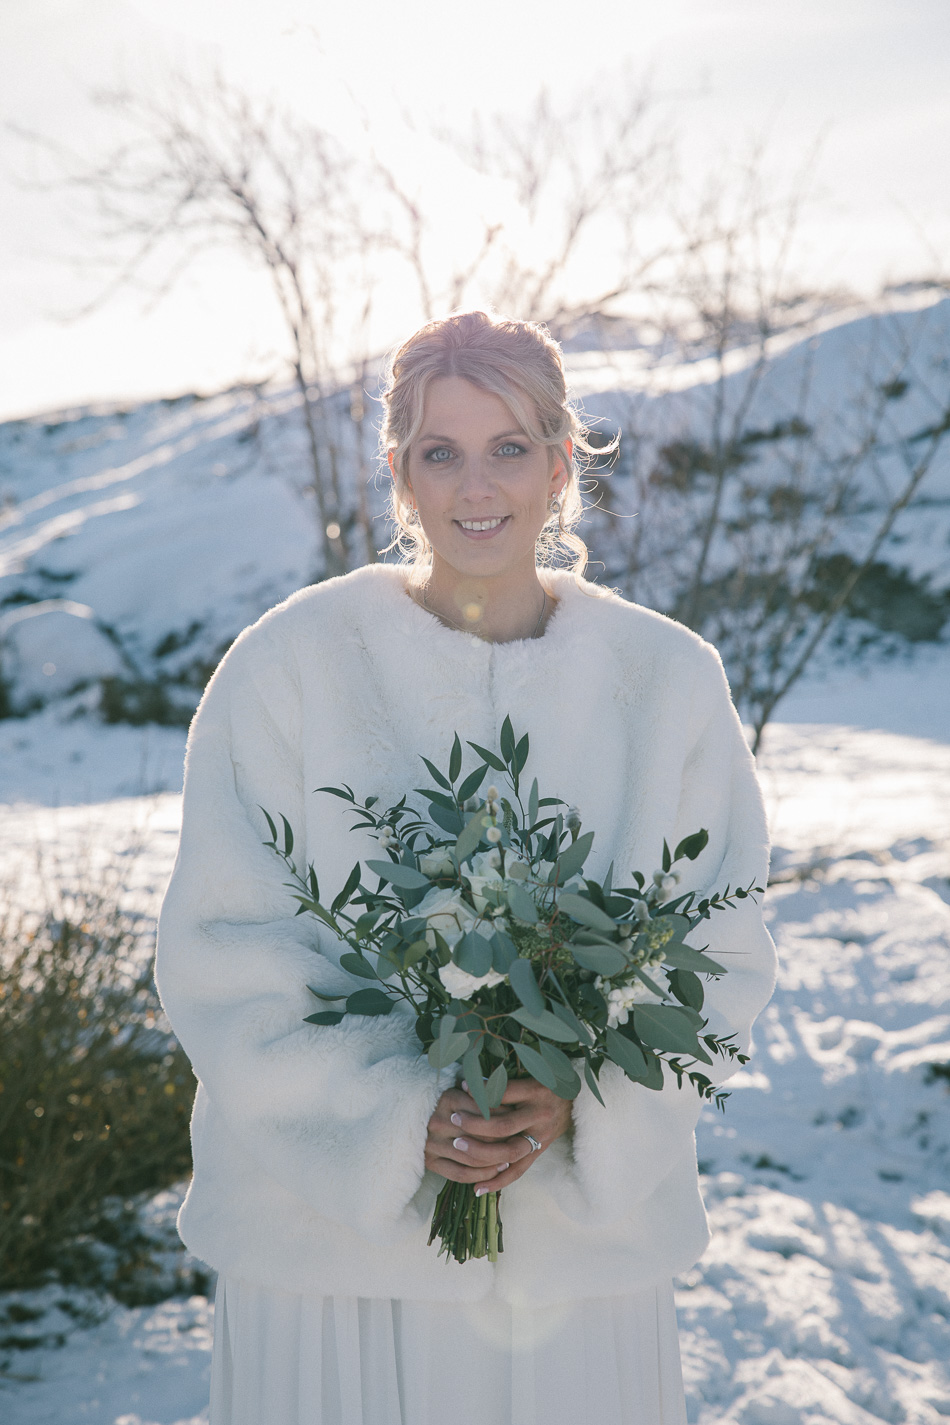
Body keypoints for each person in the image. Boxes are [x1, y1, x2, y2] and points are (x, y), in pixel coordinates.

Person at [155, 309, 778, 1425]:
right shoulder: (288, 669)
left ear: (557, 463)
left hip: (574, 1262)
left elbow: (717, 951)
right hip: (330, 1255)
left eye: (507, 448)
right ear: (398, 474)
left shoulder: (667, 681)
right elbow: (224, 950)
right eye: (438, 452)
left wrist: (583, 1105)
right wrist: (397, 1116)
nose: (474, 486)